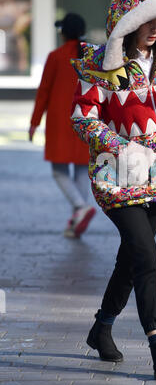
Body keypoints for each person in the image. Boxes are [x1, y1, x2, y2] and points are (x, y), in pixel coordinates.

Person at [70, 0, 156, 379]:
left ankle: (101, 329)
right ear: (129, 20)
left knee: (131, 258)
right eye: (149, 20)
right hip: (119, 176)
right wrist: (120, 146)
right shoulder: (100, 64)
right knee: (147, 257)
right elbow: (83, 118)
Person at [29, 13, 96, 238]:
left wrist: (34, 122)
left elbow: (43, 93)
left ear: (64, 32)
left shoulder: (56, 56)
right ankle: (77, 218)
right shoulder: (91, 57)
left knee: (59, 171)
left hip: (60, 121)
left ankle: (80, 207)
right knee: (79, 168)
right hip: (85, 119)